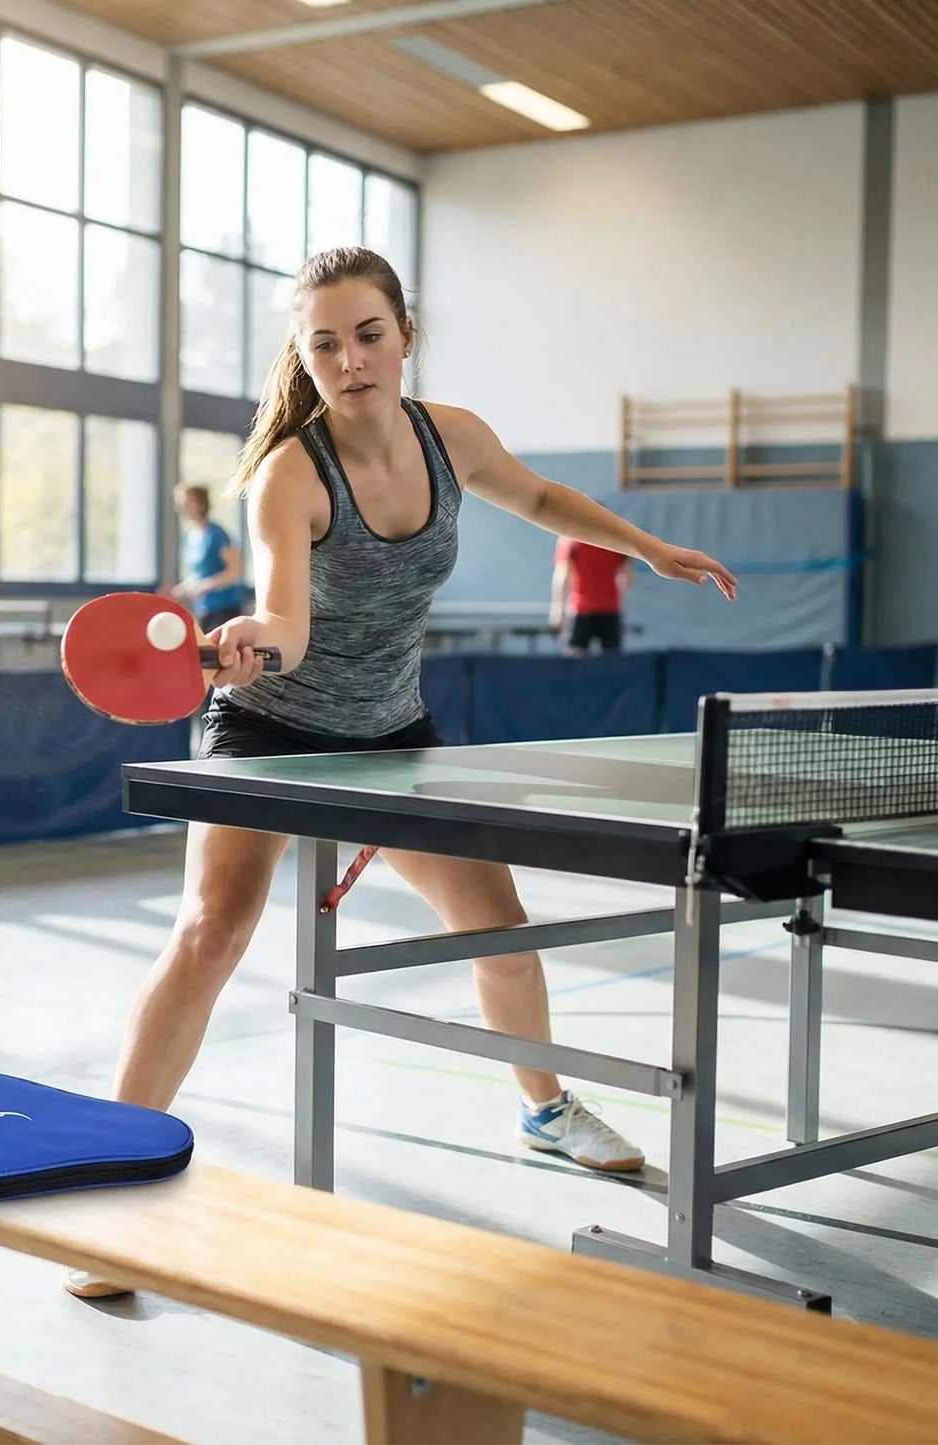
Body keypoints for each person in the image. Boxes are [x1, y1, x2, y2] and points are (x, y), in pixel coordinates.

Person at [66, 246, 736, 1299]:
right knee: (210, 932)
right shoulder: (288, 473)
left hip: (392, 729)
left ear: (404, 335)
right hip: (268, 722)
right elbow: (286, 616)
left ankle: (543, 1106)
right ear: (304, 355)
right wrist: (253, 640)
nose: (349, 358)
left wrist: (644, 546)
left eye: (367, 334)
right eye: (324, 342)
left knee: (498, 921)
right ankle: (107, 1182)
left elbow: (543, 494)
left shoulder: (450, 436)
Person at [169, 482, 247, 631]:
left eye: (184, 503)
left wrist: (204, 586)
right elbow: (200, 573)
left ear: (199, 504)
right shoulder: (191, 536)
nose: (180, 508)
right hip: (205, 609)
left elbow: (235, 570)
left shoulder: (217, 534)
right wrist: (183, 588)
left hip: (225, 610)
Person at [550, 536, 633, 655]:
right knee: (612, 662)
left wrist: (557, 613)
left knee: (575, 662)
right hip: (610, 610)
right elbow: (628, 579)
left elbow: (562, 579)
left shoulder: (570, 540)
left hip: (581, 610)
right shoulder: (615, 539)